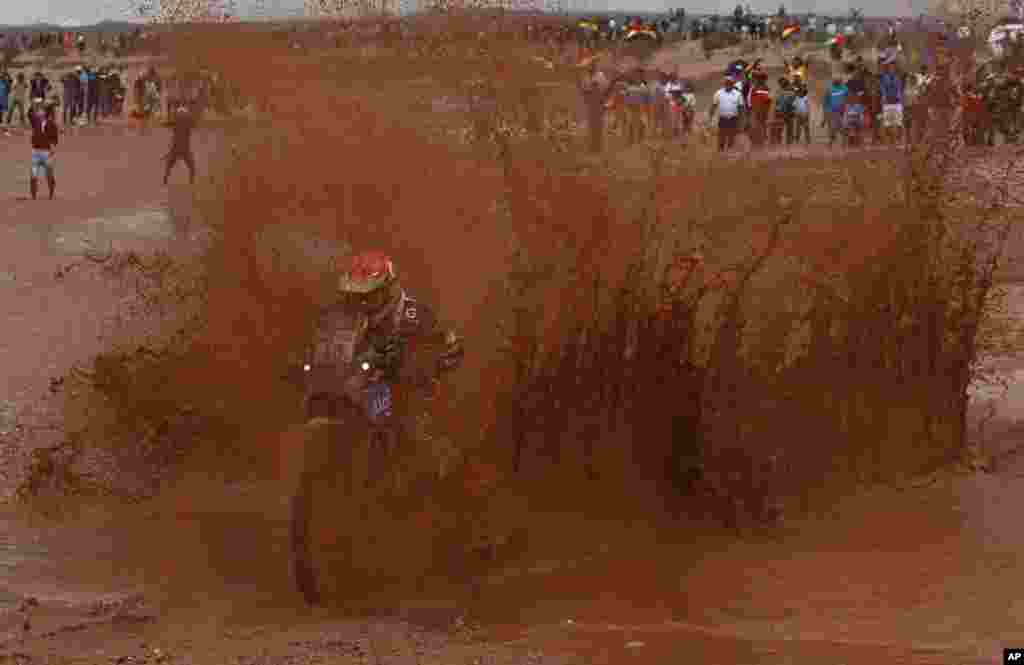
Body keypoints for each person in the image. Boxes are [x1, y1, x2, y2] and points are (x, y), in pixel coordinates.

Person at [306, 251, 465, 456]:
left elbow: (451, 348)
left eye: (368, 296)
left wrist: (428, 364)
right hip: (352, 392)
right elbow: (318, 350)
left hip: (403, 397)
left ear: (387, 290)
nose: (360, 303)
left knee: (419, 442)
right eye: (353, 296)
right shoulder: (335, 317)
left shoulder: (415, 316)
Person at [28, 99, 58, 200]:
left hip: (46, 152)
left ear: (46, 113)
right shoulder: (36, 120)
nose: (39, 112)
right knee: (33, 175)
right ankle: (34, 197)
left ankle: (51, 193)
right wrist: (34, 104)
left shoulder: (52, 124)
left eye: (42, 110)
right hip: (36, 151)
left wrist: (52, 150)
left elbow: (54, 140)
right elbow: (30, 113)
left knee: (49, 175)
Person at [163, 103, 197, 185]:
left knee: (169, 165)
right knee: (191, 166)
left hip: (177, 148)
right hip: (184, 148)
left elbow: (168, 123)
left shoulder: (177, 123)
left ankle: (165, 179)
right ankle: (191, 180)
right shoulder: (187, 124)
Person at [709, 75, 745, 152]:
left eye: (730, 83)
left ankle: (730, 152)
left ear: (732, 84)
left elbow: (741, 108)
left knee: (732, 137)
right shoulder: (718, 93)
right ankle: (721, 152)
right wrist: (710, 117)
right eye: (726, 83)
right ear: (724, 83)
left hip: (733, 119)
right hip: (722, 119)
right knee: (721, 137)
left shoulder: (738, 94)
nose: (728, 84)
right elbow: (713, 106)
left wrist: (742, 121)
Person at [822, 75, 848, 147]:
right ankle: (833, 141)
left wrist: (846, 107)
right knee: (835, 127)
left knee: (838, 127)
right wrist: (825, 115)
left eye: (838, 81)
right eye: (835, 81)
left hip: (842, 111)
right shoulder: (829, 89)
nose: (837, 82)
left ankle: (834, 141)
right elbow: (825, 102)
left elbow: (848, 98)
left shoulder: (845, 88)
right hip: (832, 111)